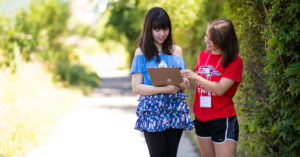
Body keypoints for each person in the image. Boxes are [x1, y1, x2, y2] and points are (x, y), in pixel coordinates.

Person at [130, 7, 194, 157]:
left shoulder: (176, 51)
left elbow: (182, 83)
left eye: (165, 29)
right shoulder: (141, 52)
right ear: (148, 29)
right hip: (153, 111)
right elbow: (136, 87)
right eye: (157, 29)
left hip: (175, 109)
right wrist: (165, 89)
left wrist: (184, 84)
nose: (162, 33)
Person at [181, 18, 243, 157]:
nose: (207, 40)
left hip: (222, 119)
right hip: (201, 118)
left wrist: (196, 77)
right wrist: (185, 79)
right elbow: (201, 79)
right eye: (206, 35)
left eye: (211, 38)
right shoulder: (203, 55)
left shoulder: (235, 61)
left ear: (223, 40)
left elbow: (220, 89)